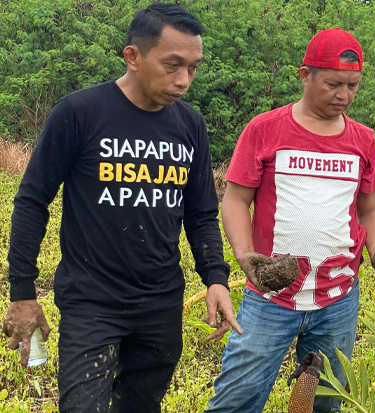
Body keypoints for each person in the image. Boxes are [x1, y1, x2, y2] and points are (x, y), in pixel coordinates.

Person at [1, 4, 240, 412]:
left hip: (161, 303)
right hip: (91, 301)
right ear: (132, 56)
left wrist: (215, 278)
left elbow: (200, 213)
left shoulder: (190, 125)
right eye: (172, 65)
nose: (184, 80)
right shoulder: (80, 113)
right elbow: (32, 200)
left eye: (193, 67)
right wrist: (23, 292)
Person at [207, 28, 375, 412]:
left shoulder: (364, 140)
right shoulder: (265, 129)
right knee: (236, 399)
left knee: (322, 401)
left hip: (337, 298)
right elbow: (236, 199)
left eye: (353, 85)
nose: (344, 95)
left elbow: (371, 209)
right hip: (270, 294)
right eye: (333, 84)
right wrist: (244, 256)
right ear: (305, 75)